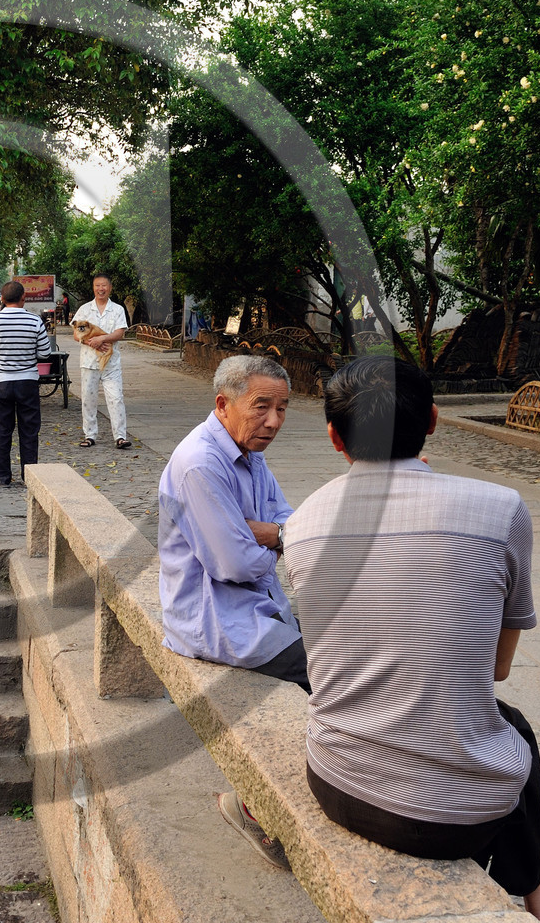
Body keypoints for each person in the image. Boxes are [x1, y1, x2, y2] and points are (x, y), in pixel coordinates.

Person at [282, 356, 540, 923]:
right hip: (452, 820)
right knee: (511, 731)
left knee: (500, 728)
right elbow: (496, 669)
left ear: (334, 437)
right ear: (433, 420)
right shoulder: (501, 510)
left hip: (335, 780)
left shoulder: (302, 525)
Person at [159, 354, 305, 870]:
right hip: (217, 620)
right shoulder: (201, 463)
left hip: (255, 609)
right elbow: (234, 563)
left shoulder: (248, 452)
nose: (274, 422)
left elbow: (288, 520)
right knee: (338, 678)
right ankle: (254, 806)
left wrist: (269, 532)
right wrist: (275, 539)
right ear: (223, 404)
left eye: (282, 409)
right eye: (261, 406)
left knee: (351, 649)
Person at [0, 281, 51, 487]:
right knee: (29, 431)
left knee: (2, 430)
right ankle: (29, 477)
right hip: (27, 381)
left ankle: (1, 478)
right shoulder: (35, 320)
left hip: (1, 382)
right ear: (24, 298)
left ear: (2, 299)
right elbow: (45, 353)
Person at [72, 274, 130, 449]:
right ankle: (90, 435)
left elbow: (120, 332)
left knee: (116, 398)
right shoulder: (84, 309)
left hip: (111, 362)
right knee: (88, 399)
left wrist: (102, 339)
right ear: (93, 288)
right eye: (97, 285)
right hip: (89, 362)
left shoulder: (117, 309)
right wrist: (91, 342)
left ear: (110, 288)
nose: (101, 289)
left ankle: (120, 436)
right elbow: (76, 334)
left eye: (104, 285)